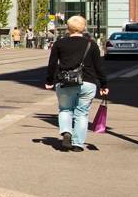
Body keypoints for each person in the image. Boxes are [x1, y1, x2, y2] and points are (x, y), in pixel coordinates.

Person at [44, 14, 105, 152]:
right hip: (88, 82)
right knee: (82, 113)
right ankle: (78, 144)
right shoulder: (91, 44)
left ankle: (66, 132)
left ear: (68, 28)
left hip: (65, 82)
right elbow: (99, 66)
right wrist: (104, 84)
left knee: (65, 109)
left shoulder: (59, 43)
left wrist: (49, 81)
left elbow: (52, 64)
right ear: (84, 28)